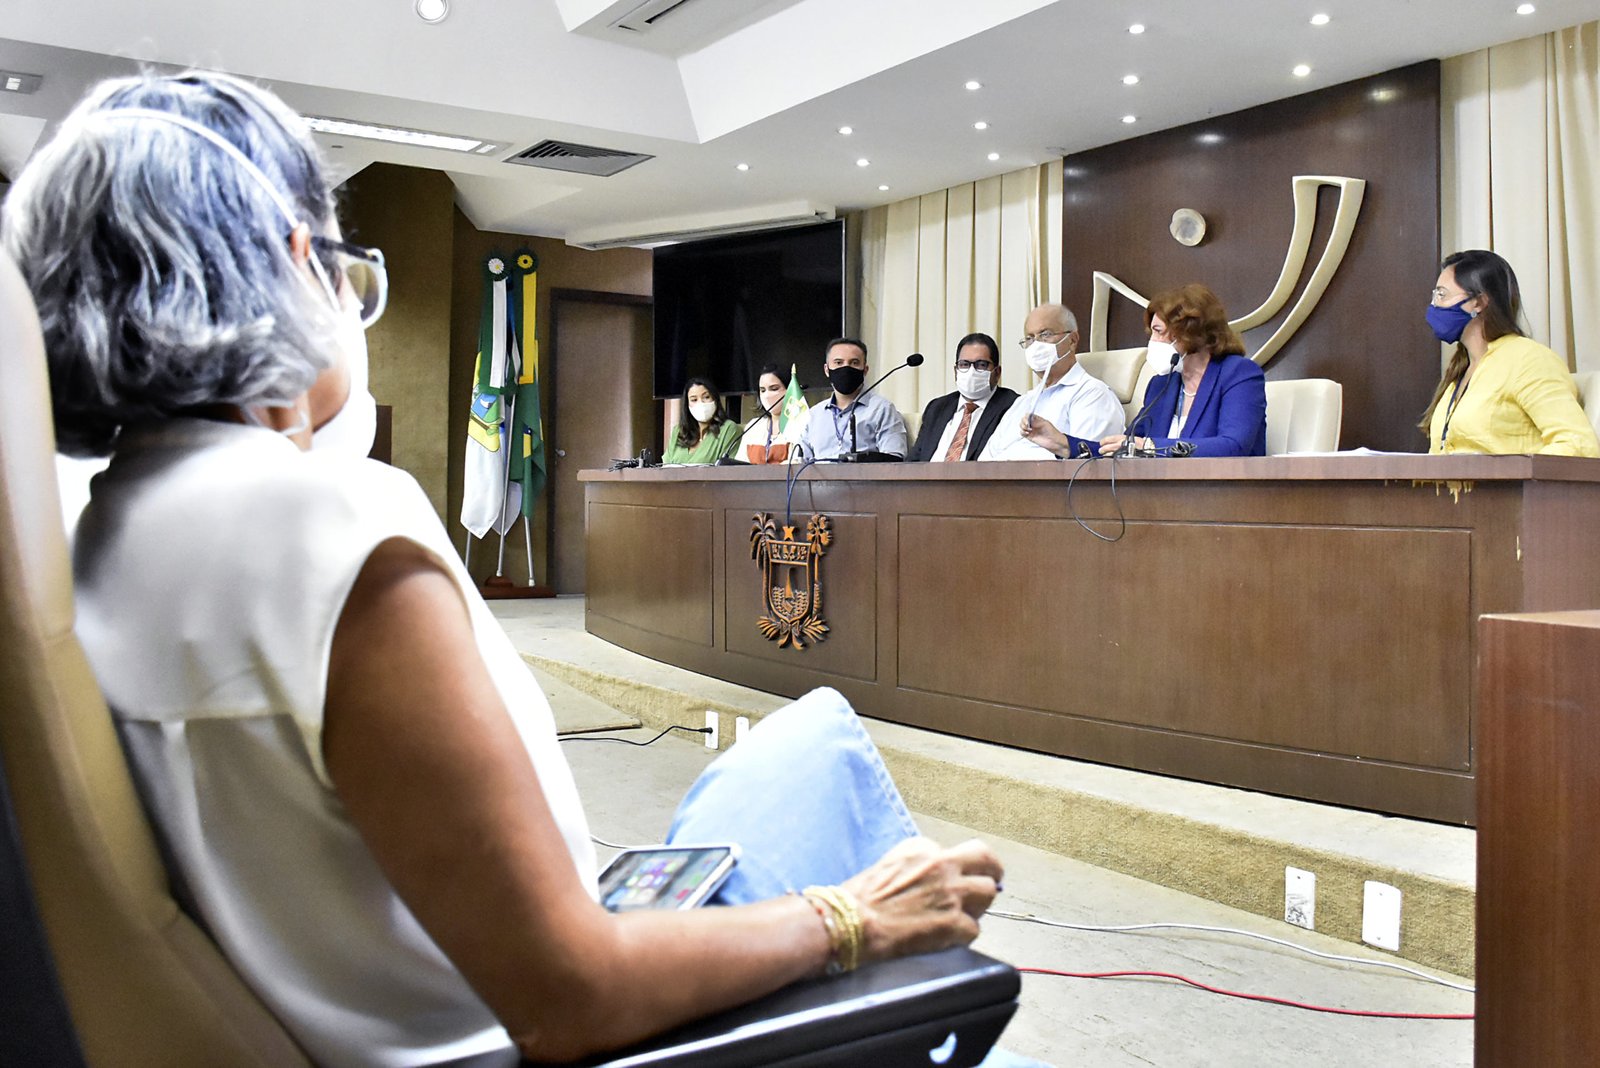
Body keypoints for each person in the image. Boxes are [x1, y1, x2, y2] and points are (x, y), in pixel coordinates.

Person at [2, 72, 1009, 1067]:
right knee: (833, 761)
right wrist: (851, 919)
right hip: (537, 1030)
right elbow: (574, 997)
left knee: (800, 743)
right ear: (296, 266)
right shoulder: (327, 529)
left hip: (391, 984)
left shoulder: (96, 530)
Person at [1421, 250, 1599, 456]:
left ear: (1478, 302)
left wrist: (1507, 471)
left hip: (1503, 479)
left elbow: (1578, 445)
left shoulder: (1528, 360)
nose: (1434, 305)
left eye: (1442, 295)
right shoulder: (1461, 370)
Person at [1094, 284, 1266, 458]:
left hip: (1223, 476)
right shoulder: (1161, 384)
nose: (1152, 341)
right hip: (1160, 477)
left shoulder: (1239, 373)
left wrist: (1150, 446)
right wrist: (1078, 447)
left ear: (1189, 332)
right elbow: (1128, 442)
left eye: (1158, 332)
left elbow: (1233, 446)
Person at [978, 303, 1124, 460]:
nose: (1036, 345)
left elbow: (1087, 462)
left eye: (1045, 334)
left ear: (1072, 340)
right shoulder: (1022, 402)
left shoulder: (1092, 394)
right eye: (1030, 338)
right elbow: (984, 461)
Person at [907, 333, 1019, 462]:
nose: (971, 371)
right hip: (929, 475)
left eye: (981, 365)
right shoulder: (937, 408)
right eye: (964, 364)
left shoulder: (1013, 406)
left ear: (997, 372)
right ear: (955, 371)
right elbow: (913, 462)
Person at [799, 337, 910, 460]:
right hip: (819, 473)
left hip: (864, 472)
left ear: (865, 370)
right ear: (827, 370)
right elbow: (798, 462)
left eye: (854, 363)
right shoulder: (814, 415)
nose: (846, 368)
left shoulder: (882, 409)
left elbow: (894, 458)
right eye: (838, 363)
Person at [663, 376, 741, 463]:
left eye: (706, 397)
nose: (701, 403)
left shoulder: (729, 429)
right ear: (687, 405)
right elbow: (665, 465)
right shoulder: (678, 431)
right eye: (694, 400)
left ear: (715, 399)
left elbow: (727, 467)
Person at [737, 363, 802, 463]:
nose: (767, 395)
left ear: (790, 390)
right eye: (763, 390)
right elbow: (738, 466)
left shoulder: (801, 424)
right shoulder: (753, 427)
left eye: (774, 389)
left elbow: (798, 464)